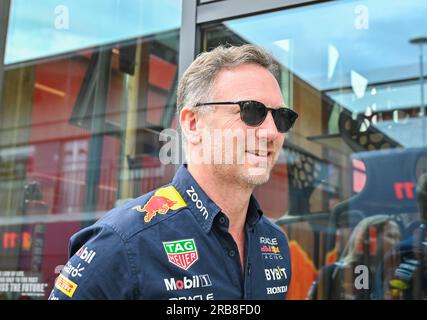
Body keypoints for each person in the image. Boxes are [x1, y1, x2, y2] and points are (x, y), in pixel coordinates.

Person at [48, 44, 298, 300]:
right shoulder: (124, 243)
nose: (272, 132)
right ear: (192, 123)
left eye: (281, 117)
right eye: (251, 111)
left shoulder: (274, 244)